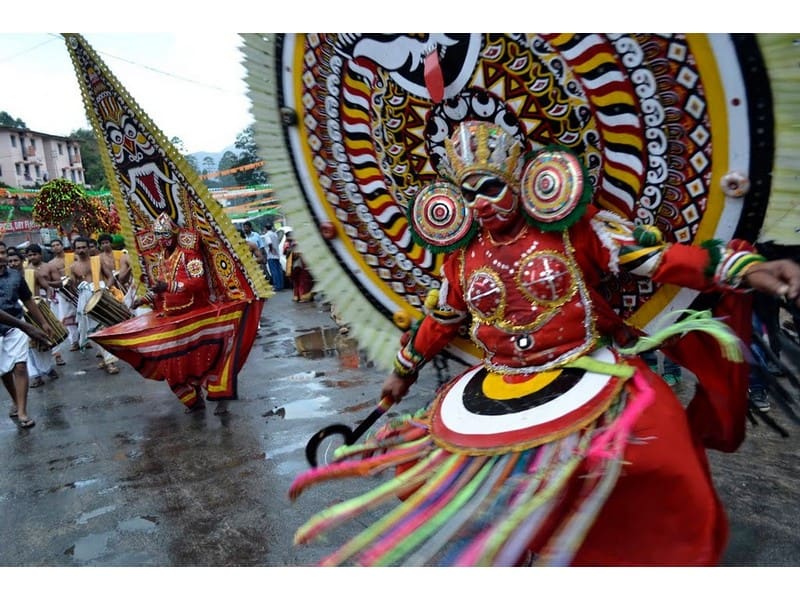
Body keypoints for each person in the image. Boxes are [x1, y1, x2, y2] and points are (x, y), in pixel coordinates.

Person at [289, 120, 800, 566]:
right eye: (467, 195)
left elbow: (661, 259)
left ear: (522, 179)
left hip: (586, 369)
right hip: (499, 388)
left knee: (659, 453)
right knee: (474, 483)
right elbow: (440, 319)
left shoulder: (577, 231)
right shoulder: (461, 259)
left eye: (490, 187)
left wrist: (750, 271)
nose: (480, 204)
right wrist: (403, 371)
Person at [132, 212, 216, 413]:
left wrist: (170, 286)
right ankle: (193, 400)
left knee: (202, 363)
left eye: (165, 235)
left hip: (194, 317)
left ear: (175, 233)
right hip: (172, 320)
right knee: (174, 365)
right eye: (158, 236)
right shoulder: (160, 257)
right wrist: (143, 300)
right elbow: (161, 292)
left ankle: (215, 398)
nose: (162, 240)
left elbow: (199, 282)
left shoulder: (189, 254)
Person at [0, 243, 55, 429]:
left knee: (21, 367)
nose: (0, 256)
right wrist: (28, 328)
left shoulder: (16, 276)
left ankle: (23, 411)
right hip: (13, 326)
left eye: (2, 252)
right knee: (4, 370)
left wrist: (43, 323)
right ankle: (15, 400)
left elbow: (28, 300)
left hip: (15, 326)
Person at [69, 236, 121, 374]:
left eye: (83, 247)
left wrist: (105, 290)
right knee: (92, 332)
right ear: (75, 249)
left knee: (104, 328)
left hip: (101, 296)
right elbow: (74, 286)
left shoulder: (97, 260)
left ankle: (110, 362)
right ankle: (106, 358)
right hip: (85, 300)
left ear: (89, 247)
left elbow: (110, 277)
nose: (81, 250)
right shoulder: (73, 266)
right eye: (78, 248)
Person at [47, 239, 80, 352]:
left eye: (57, 245)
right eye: (53, 246)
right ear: (51, 249)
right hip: (63, 292)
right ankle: (74, 341)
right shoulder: (51, 264)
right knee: (67, 317)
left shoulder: (73, 257)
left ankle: (85, 339)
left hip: (76, 288)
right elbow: (51, 279)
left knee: (81, 313)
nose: (56, 247)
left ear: (62, 246)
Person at [283, 230, 314, 303]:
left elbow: (290, 253)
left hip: (299, 264)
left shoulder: (293, 243)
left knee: (301, 281)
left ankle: (302, 296)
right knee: (300, 281)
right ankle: (301, 296)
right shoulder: (291, 243)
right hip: (299, 264)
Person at [262, 223, 284, 291]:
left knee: (274, 271)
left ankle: (277, 286)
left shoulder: (267, 235)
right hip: (277, 255)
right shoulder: (274, 234)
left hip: (271, 255)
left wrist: (271, 250)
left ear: (265, 228)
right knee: (278, 271)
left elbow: (269, 243)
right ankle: (281, 285)